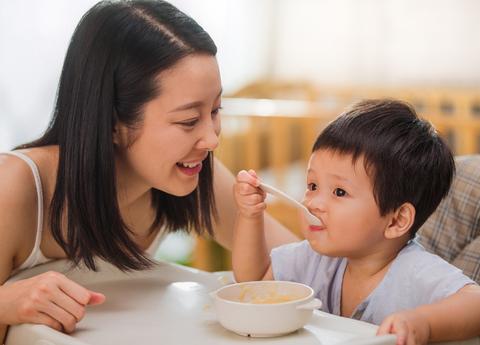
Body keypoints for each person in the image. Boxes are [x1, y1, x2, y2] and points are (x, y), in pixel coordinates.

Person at [0, 1, 298, 342]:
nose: (212, 139)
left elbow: (298, 264)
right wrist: (5, 304)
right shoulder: (14, 186)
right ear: (113, 122)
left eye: (216, 110)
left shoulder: (196, 171)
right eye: (188, 121)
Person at [232, 99, 480, 345]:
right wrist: (250, 216)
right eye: (312, 185)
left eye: (339, 192)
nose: (312, 202)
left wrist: (424, 323)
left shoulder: (414, 271)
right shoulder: (317, 258)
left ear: (396, 220)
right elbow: (253, 281)